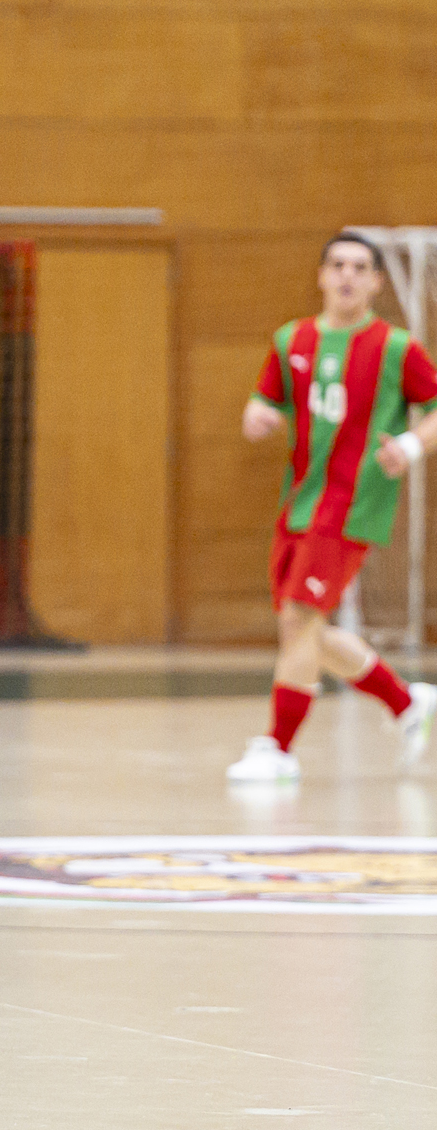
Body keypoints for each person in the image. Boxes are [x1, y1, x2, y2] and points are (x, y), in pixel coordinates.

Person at [228, 232, 437, 783]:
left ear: (376, 282)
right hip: (299, 504)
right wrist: (256, 417)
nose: (347, 276)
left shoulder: (395, 348)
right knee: (302, 630)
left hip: (351, 505)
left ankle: (278, 749)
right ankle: (407, 703)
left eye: (360, 267)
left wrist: (411, 446)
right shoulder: (291, 339)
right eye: (338, 265)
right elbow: (264, 398)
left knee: (300, 621)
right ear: (321, 275)